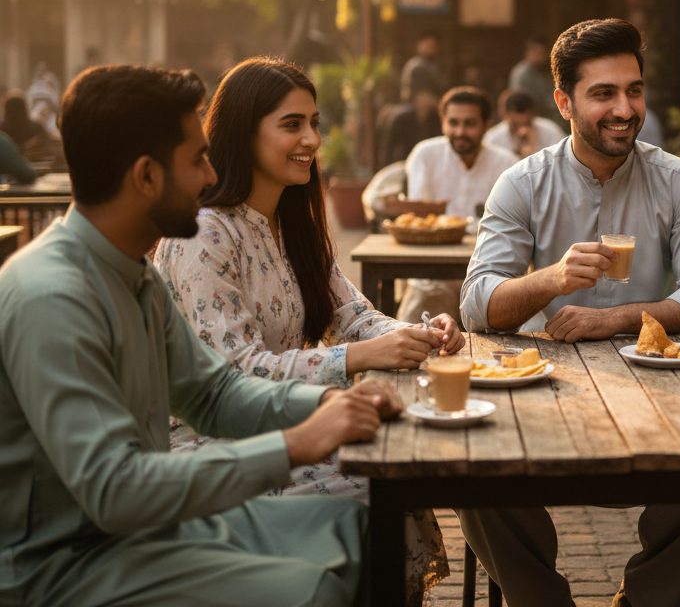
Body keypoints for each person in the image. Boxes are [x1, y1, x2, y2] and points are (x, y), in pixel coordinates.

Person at [0, 64, 404, 607]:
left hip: (142, 532)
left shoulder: (133, 272)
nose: (211, 176)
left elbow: (213, 394)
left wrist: (328, 404)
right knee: (312, 592)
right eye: (197, 160)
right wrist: (294, 443)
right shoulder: (53, 296)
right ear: (146, 176)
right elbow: (114, 491)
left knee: (351, 526)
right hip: (64, 565)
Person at [152, 57, 460, 601]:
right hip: (209, 442)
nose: (312, 140)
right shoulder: (202, 235)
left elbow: (352, 316)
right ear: (243, 133)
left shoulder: (293, 222)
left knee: (395, 474)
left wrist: (419, 332)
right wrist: (359, 358)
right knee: (374, 485)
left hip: (284, 419)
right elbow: (235, 374)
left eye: (314, 123)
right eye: (291, 125)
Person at [458, 18, 680, 607]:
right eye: (604, 93)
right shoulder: (522, 183)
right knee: (463, 468)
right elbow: (476, 305)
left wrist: (616, 318)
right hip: (541, 396)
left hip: (662, 395)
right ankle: (541, 602)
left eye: (634, 91)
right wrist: (551, 280)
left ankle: (643, 599)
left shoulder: (678, 180)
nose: (625, 109)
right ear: (564, 103)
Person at [398, 85, 517, 324]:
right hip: (432, 272)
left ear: (487, 125)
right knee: (421, 316)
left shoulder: (507, 164)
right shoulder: (425, 155)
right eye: (453, 123)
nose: (460, 132)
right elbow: (420, 218)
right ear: (443, 123)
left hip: (487, 272)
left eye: (469, 124)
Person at [483, 89, 566, 157]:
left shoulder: (549, 131)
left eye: (527, 123)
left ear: (532, 114)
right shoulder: (493, 138)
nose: (522, 128)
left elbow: (563, 157)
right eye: (516, 124)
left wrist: (534, 146)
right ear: (506, 115)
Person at [508, 36, 563, 127]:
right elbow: (520, 102)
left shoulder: (544, 71)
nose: (541, 56)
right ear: (528, 52)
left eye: (543, 53)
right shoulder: (521, 73)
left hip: (548, 115)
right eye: (537, 52)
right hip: (529, 116)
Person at [400, 30, 447, 99]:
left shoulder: (432, 65)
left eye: (434, 45)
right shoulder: (417, 66)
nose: (431, 48)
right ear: (419, 45)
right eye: (428, 45)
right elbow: (422, 97)